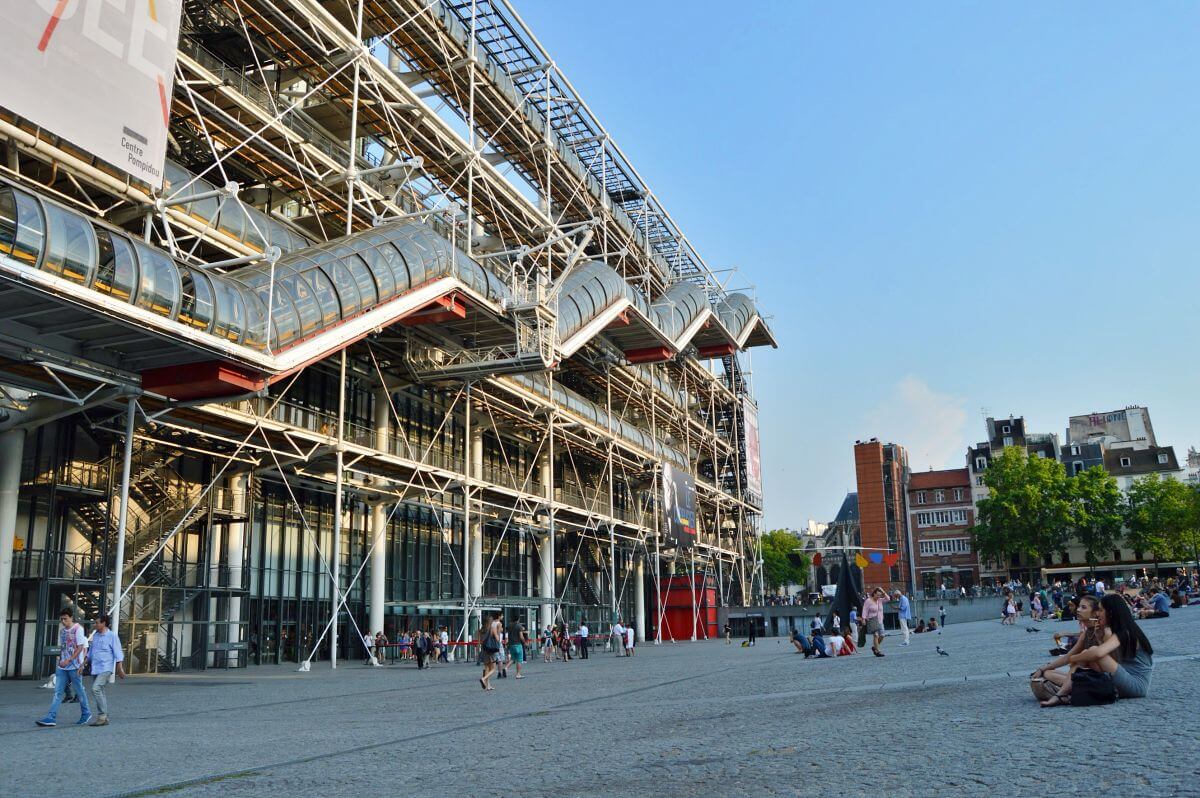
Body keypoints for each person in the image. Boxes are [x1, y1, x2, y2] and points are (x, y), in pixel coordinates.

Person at [1032, 594, 1105, 707]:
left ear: (1095, 612)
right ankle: (1071, 689)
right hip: (1084, 675)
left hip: (1099, 677)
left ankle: (1063, 693)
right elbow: (1067, 657)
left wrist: (1076, 659)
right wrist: (1042, 668)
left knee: (1082, 657)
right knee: (1047, 673)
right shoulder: (1086, 633)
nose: (1078, 610)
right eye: (1079, 607)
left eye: (1083, 607)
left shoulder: (1103, 631)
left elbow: (1108, 663)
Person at [37, 608, 92, 727]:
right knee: (57, 692)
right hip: (62, 666)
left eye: (65, 619)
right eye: (61, 619)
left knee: (79, 691)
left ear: (71, 618)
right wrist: (60, 659)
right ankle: (51, 717)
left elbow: (80, 647)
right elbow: (63, 647)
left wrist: (72, 660)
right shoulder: (62, 631)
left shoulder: (78, 629)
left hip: (75, 666)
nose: (63, 621)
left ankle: (86, 713)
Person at [83, 614, 124, 726]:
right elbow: (91, 652)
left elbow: (118, 652)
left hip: (106, 668)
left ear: (104, 623)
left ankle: (102, 716)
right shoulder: (96, 635)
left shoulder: (112, 636)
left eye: (97, 622)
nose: (95, 625)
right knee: (100, 691)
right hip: (95, 668)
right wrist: (83, 664)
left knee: (95, 689)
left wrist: (119, 668)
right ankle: (104, 718)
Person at [480, 614, 503, 690]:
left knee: (486, 667)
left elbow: (479, 642)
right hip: (491, 650)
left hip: (484, 650)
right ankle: (483, 679)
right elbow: (497, 638)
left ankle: (488, 685)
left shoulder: (481, 630)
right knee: (493, 669)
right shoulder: (492, 628)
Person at [862, 588, 887, 657]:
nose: (878, 597)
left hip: (880, 620)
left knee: (882, 635)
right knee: (876, 635)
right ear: (874, 594)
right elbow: (865, 610)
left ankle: (875, 647)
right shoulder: (868, 601)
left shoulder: (880, 600)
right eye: (877, 595)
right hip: (871, 620)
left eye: (880, 595)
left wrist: (882, 590)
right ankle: (878, 651)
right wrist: (863, 619)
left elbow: (888, 599)